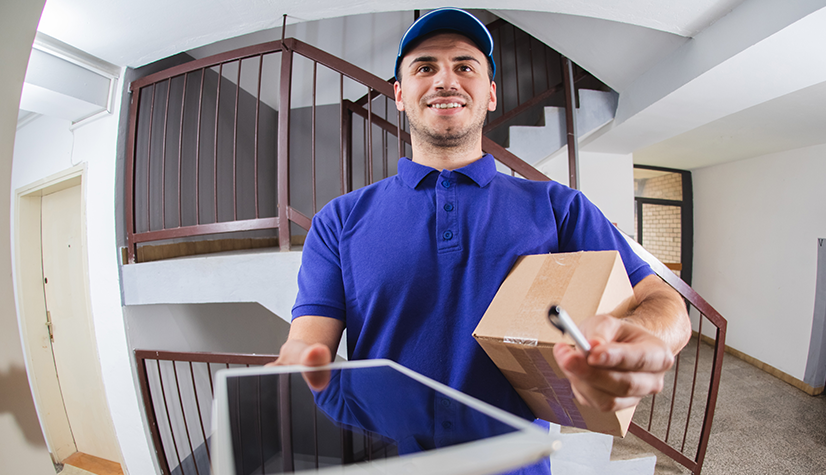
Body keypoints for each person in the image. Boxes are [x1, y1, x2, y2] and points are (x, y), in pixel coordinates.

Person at [271, 7, 691, 469]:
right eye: (425, 67)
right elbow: (307, 343)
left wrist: (644, 339)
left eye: (465, 67)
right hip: (387, 463)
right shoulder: (338, 221)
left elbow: (664, 303)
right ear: (399, 94)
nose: (445, 80)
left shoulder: (559, 208)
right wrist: (296, 365)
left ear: (490, 94)